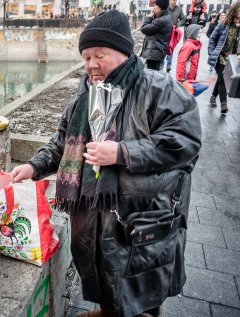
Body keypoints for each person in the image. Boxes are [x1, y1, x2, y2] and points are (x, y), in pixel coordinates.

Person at [10, 9, 202, 317]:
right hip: (95, 215)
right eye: (86, 57)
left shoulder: (159, 88)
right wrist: (34, 166)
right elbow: (62, 143)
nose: (92, 65)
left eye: (101, 54)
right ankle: (110, 311)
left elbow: (185, 142)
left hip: (143, 214)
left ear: (125, 52)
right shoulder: (83, 96)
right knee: (105, 271)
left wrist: (122, 152)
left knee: (142, 279)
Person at [207, 1, 240, 114]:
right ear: (235, 11)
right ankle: (223, 104)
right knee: (223, 79)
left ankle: (213, 97)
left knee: (222, 78)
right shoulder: (223, 24)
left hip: (231, 59)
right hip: (219, 57)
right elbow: (212, 39)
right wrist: (212, 52)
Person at [140, 0, 172, 70]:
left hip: (154, 53)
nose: (154, 7)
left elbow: (143, 29)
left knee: (152, 75)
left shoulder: (161, 21)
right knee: (155, 73)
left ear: (161, 7)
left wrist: (149, 17)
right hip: (157, 51)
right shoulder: (166, 17)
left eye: (156, 5)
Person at [165, 0, 186, 72]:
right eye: (173, 0)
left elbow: (183, 19)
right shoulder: (165, 7)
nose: (175, 1)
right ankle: (161, 64)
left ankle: (168, 66)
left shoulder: (179, 9)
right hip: (164, 30)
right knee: (163, 46)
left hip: (173, 31)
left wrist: (177, 25)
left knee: (171, 47)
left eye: (176, 0)